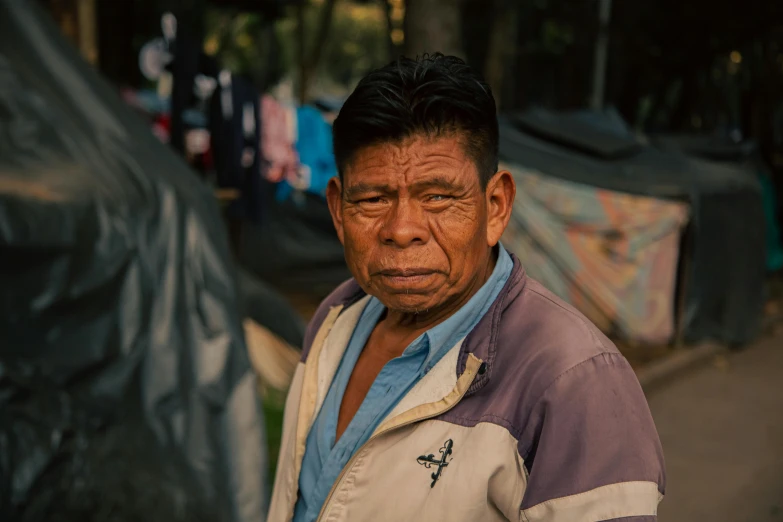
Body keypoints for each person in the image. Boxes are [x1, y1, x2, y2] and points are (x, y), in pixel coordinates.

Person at [268, 54, 665, 522]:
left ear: (495, 205)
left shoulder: (574, 380)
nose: (401, 229)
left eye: (437, 196)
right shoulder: (338, 317)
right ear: (337, 210)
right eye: (373, 198)